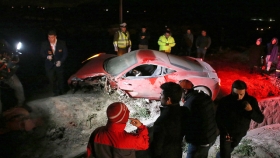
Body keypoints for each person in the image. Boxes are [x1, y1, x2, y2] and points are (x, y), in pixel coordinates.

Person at [215, 80, 264, 158]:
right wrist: (223, 131)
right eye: (235, 94)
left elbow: (260, 119)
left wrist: (251, 110)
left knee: (227, 151)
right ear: (232, 90)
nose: (238, 97)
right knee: (225, 154)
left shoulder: (251, 101)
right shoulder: (225, 101)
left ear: (245, 91)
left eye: (241, 94)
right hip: (226, 133)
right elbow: (218, 117)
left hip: (239, 134)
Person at [179, 79, 217, 158]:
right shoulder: (203, 96)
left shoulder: (190, 104)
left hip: (200, 141)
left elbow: (185, 125)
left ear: (185, 91)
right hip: (211, 136)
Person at [150, 82, 183, 158]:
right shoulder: (184, 112)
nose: (160, 97)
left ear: (168, 99)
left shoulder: (162, 121)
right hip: (177, 152)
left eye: (161, 95)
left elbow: (157, 147)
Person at [40, 30, 68, 96]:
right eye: (49, 37)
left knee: (60, 78)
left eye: (52, 37)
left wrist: (61, 61)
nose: (50, 39)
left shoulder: (62, 43)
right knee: (51, 79)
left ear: (55, 37)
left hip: (59, 64)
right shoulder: (44, 44)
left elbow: (65, 53)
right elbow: (41, 53)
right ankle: (55, 92)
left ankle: (62, 92)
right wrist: (47, 56)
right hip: (49, 65)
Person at [0, 39, 25, 113]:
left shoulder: (3, 43)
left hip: (7, 73)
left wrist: (14, 58)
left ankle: (21, 105)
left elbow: (15, 58)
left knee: (18, 86)